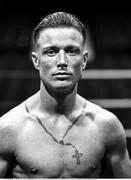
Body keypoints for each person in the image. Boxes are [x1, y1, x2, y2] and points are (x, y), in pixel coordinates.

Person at [0, 11, 131, 178]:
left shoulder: (107, 126)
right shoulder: (8, 129)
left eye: (71, 51)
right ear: (36, 60)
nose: (62, 61)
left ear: (83, 60)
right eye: (51, 52)